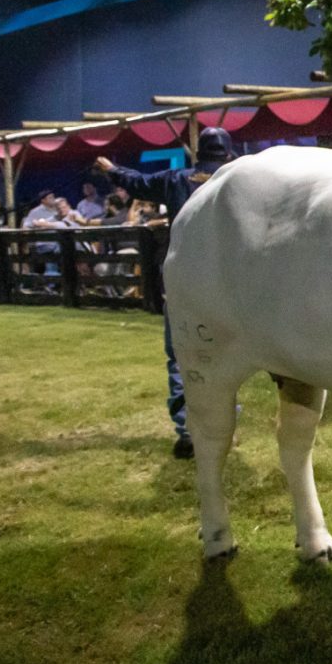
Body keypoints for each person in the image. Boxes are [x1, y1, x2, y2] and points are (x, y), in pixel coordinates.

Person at [95, 127, 235, 459]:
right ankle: (224, 425)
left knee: (181, 355)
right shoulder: (237, 179)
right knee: (229, 355)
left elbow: (137, 182)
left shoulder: (176, 179)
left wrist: (111, 169)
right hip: (228, 283)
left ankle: (188, 431)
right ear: (228, 154)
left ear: (199, 153)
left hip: (184, 279)